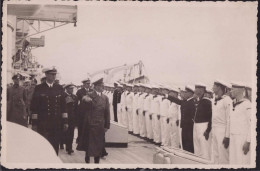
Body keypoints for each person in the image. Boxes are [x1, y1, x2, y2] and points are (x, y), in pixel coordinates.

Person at [30, 67, 68, 155]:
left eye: (55, 74)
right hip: (43, 123)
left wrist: (65, 121)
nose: (54, 76)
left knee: (55, 145)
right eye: (52, 74)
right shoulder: (39, 88)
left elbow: (64, 107)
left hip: (56, 122)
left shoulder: (59, 88)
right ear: (46, 75)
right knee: (44, 146)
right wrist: (34, 124)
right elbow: (34, 107)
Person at [77, 78, 110, 164]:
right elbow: (82, 110)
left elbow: (107, 112)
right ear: (95, 87)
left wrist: (107, 125)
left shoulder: (105, 98)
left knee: (99, 143)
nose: (102, 87)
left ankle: (97, 160)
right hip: (90, 123)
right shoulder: (89, 95)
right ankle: (87, 156)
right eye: (100, 86)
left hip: (100, 124)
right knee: (89, 142)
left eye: (102, 85)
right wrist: (85, 101)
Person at [167, 85, 196, 153]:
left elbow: (193, 116)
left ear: (190, 94)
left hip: (189, 127)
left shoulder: (192, 102)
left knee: (189, 144)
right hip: (184, 126)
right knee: (184, 143)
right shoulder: (185, 101)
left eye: (185, 92)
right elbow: (177, 101)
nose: (184, 93)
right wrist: (167, 96)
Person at [229, 83, 251, 164]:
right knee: (232, 161)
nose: (231, 91)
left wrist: (248, 141)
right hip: (233, 136)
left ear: (240, 90)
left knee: (241, 161)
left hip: (242, 138)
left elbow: (251, 125)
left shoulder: (247, 104)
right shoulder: (232, 103)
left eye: (233, 89)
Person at [212, 80, 232, 164]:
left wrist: (227, 136)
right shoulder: (215, 99)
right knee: (215, 155)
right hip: (215, 128)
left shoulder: (227, 100)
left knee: (223, 156)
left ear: (219, 87)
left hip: (222, 130)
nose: (212, 87)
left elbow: (229, 118)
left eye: (214, 86)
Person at [193, 83, 212, 160]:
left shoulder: (207, 101)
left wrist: (208, 130)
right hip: (196, 125)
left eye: (196, 89)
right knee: (197, 148)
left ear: (201, 91)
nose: (195, 91)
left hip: (204, 126)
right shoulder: (199, 100)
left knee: (204, 149)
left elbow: (211, 117)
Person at [76, 78, 92, 143]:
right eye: (87, 84)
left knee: (88, 125)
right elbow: (77, 101)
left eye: (89, 84)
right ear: (84, 84)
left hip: (90, 111)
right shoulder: (79, 91)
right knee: (81, 125)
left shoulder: (92, 90)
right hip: (82, 111)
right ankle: (79, 139)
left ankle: (87, 139)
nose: (88, 85)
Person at [64, 83, 78, 155]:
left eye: (72, 89)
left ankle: (70, 147)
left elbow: (76, 109)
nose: (72, 90)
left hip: (73, 118)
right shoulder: (63, 96)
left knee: (71, 133)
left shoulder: (75, 97)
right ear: (66, 89)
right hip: (66, 117)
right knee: (66, 133)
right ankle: (67, 147)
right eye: (70, 89)